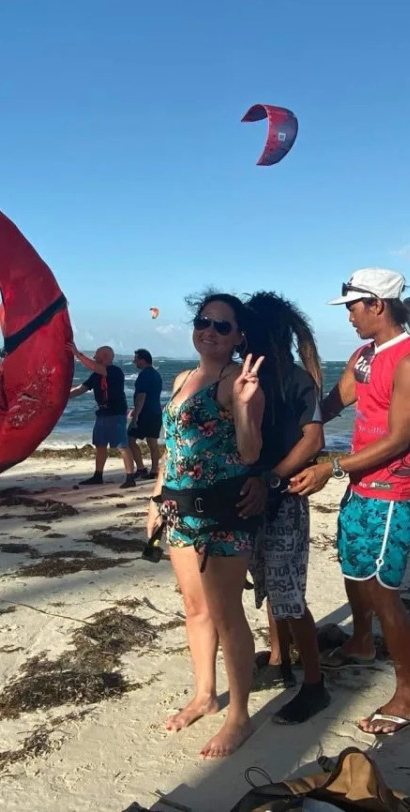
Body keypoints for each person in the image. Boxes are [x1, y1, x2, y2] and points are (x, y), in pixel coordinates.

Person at [290, 267, 410, 737]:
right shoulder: (364, 356)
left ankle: (409, 696)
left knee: (383, 592)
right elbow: (331, 403)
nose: (349, 316)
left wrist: (331, 468)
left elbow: (398, 440)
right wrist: (291, 420)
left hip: (391, 492)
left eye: (354, 307)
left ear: (377, 304)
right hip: (361, 486)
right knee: (354, 570)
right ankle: (360, 643)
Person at [146, 293, 265, 759]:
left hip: (222, 513)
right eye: (203, 321)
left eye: (222, 326)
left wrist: (242, 406)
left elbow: (250, 452)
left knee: (226, 613)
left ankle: (239, 716)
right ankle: (204, 696)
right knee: (195, 608)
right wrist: (156, 499)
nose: (209, 331)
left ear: (238, 337)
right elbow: (172, 446)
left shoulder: (240, 379)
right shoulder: (181, 378)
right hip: (179, 509)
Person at [239, 291, 331, 725]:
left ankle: (315, 684)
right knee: (267, 584)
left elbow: (313, 440)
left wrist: (270, 478)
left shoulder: (296, 380)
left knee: (289, 593)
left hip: (284, 497)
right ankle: (279, 660)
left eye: (245, 332)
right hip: (249, 496)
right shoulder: (241, 376)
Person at [69, 345, 136, 488]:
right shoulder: (96, 375)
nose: (94, 358)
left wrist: (78, 354)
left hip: (115, 413)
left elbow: (95, 367)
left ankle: (130, 477)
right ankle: (98, 475)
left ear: (105, 357)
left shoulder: (114, 371)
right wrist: (63, 397)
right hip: (102, 413)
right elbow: (81, 389)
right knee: (100, 445)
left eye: (96, 356)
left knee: (122, 446)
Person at [128, 348, 163, 481]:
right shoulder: (156, 374)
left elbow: (141, 396)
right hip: (155, 411)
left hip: (145, 413)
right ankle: (154, 470)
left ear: (142, 360)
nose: (134, 362)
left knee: (130, 439)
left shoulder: (144, 375)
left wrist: (135, 416)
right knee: (152, 442)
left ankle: (142, 468)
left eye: (136, 359)